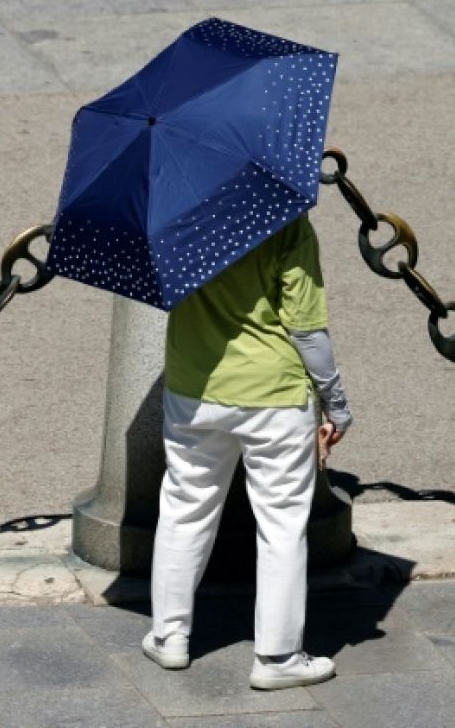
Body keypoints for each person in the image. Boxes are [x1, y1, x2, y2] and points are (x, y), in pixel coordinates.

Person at [140, 213, 354, 689]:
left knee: (185, 507)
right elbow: (307, 331)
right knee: (281, 523)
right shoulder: (284, 220)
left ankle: (169, 636)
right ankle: (277, 658)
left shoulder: (177, 213)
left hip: (194, 386)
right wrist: (335, 402)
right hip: (275, 394)